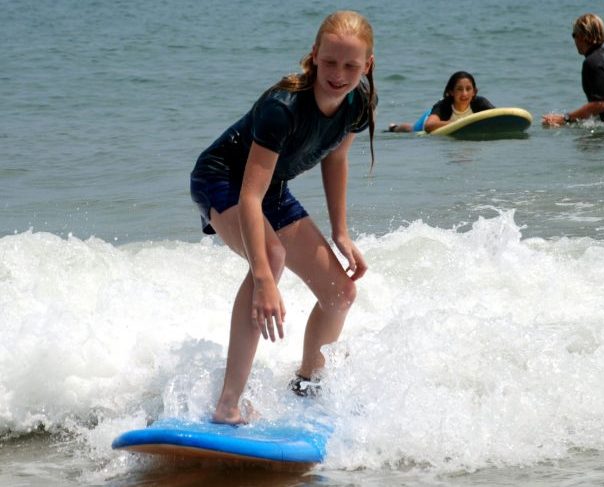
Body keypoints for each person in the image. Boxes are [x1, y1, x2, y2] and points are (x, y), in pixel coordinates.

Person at [189, 10, 376, 425]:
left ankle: (307, 387)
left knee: (340, 294)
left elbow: (337, 159)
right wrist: (263, 281)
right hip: (221, 180)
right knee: (269, 259)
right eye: (329, 61)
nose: (339, 74)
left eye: (350, 65)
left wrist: (341, 233)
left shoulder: (358, 104)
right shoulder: (284, 106)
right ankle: (228, 405)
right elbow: (249, 197)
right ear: (313, 56)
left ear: (367, 65)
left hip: (269, 189)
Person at [542, 13, 604, 127]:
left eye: (574, 35)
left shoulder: (592, 62)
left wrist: (565, 119)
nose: (574, 40)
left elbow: (600, 105)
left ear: (583, 36)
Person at [387, 71, 494, 133]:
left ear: (474, 92)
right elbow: (429, 126)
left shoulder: (480, 103)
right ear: (451, 92)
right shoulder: (444, 105)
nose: (464, 94)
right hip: (430, 118)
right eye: (459, 89)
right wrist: (461, 123)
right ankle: (394, 128)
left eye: (468, 89)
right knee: (411, 129)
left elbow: (499, 116)